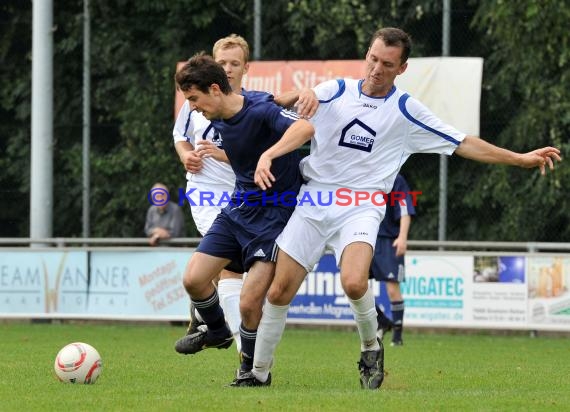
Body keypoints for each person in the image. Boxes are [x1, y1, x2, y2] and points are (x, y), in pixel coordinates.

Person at [248, 27, 561, 390]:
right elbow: (292, 102)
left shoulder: (405, 110)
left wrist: (519, 159)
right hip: (315, 200)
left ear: (402, 68)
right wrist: (298, 93)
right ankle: (258, 374)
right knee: (278, 292)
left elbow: (462, 143)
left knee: (353, 282)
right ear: (367, 54)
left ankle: (370, 348)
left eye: (387, 64)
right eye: (373, 59)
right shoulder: (336, 90)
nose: (376, 69)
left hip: (361, 206)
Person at [173, 53, 314, 386]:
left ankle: (250, 372)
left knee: (251, 304)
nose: (193, 107)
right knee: (194, 279)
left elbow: (305, 128)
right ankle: (218, 331)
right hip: (238, 209)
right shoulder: (219, 116)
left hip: (274, 216)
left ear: (214, 89)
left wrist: (270, 154)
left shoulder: (260, 109)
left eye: (194, 98)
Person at [173, 34, 270, 354]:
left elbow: (259, 156)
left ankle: (205, 313)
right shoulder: (195, 103)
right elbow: (180, 138)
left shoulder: (254, 105)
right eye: (222, 63)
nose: (227, 69)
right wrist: (186, 154)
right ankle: (245, 353)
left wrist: (221, 154)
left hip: (243, 192)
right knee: (230, 262)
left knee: (229, 265)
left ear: (246, 68)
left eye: (234, 63)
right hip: (206, 190)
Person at [370, 173, 415, 346]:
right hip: (365, 237)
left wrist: (402, 237)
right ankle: (382, 320)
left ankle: (397, 336)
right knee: (353, 283)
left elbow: (404, 210)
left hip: (389, 240)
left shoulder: (396, 180)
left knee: (392, 288)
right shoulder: (364, 174)